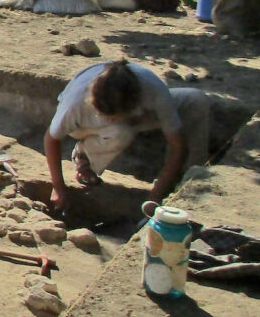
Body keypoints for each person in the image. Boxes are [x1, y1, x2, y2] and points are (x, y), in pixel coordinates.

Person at [45, 58, 210, 211]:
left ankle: (191, 179)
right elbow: (51, 139)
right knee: (120, 132)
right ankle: (85, 156)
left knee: (196, 99)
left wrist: (156, 197)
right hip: (84, 126)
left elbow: (177, 146)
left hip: (136, 114)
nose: (109, 119)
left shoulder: (154, 91)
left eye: (113, 117)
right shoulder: (75, 102)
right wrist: (58, 187)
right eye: (106, 115)